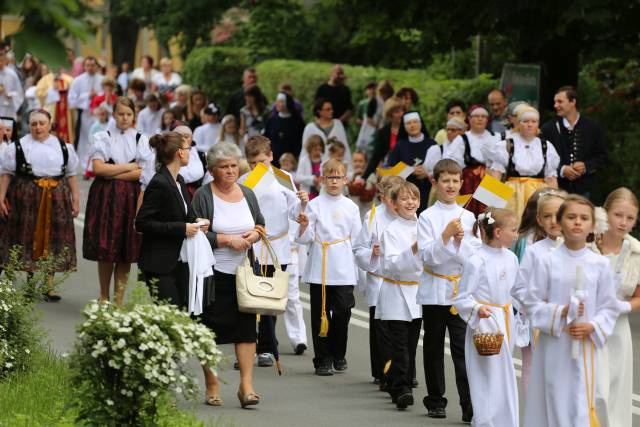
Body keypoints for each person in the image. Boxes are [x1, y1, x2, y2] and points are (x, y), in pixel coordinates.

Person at [521, 195, 619, 427]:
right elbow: (532, 302)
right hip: (554, 345)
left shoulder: (600, 264)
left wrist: (592, 325)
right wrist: (560, 312)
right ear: (561, 221)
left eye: (584, 218)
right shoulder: (547, 261)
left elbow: (609, 307)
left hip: (585, 344)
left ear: (592, 225)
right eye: (571, 217)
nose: (577, 222)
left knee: (581, 403)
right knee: (553, 397)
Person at [134, 130, 215, 405]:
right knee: (170, 324)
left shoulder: (177, 181)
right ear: (179, 153)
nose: (190, 151)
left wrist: (197, 221)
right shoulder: (159, 183)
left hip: (180, 262)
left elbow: (184, 215)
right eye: (187, 147)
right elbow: (142, 223)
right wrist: (182, 228)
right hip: (160, 264)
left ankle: (160, 378)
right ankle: (155, 380)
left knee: (179, 322)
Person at [192, 142, 264, 408]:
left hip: (243, 274)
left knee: (246, 330)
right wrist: (226, 240)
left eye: (234, 165)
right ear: (212, 171)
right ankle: (212, 384)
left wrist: (254, 234)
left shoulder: (247, 193)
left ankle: (246, 385)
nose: (231, 171)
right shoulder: (203, 195)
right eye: (224, 167)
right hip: (211, 273)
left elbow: (260, 224)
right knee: (207, 331)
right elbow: (195, 231)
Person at [417, 159, 478, 422]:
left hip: (460, 291)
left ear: (461, 183)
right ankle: (436, 399)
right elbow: (428, 256)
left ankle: (468, 402)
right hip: (435, 289)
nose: (451, 185)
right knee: (432, 346)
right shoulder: (427, 216)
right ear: (435, 183)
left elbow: (474, 256)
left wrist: (460, 242)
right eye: (445, 181)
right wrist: (445, 237)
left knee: (462, 349)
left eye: (455, 181)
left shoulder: (469, 216)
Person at [242, 136, 308, 366]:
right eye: (252, 163)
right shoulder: (244, 181)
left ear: (270, 157)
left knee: (270, 296)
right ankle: (250, 344)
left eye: (261, 161)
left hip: (277, 245)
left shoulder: (282, 178)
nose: (256, 167)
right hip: (252, 243)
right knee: (251, 295)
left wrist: (300, 208)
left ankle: (267, 347)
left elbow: (291, 210)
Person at [0, 110, 79, 299]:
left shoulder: (63, 146)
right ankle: (28, 280)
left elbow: (71, 174)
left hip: (56, 195)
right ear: (29, 125)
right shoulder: (18, 146)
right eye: (34, 123)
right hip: (25, 196)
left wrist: (75, 197)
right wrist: (1, 197)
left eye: (42, 123)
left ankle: (48, 284)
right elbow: (7, 173)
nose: (38, 127)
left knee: (51, 238)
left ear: (50, 124)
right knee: (26, 235)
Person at [83, 97, 154, 305]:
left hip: (131, 198)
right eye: (121, 114)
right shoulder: (101, 137)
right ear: (114, 115)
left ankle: (118, 299)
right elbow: (98, 169)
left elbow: (143, 173)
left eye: (128, 114)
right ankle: (104, 295)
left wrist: (113, 173)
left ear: (134, 116)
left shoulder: (141, 138)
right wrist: (129, 167)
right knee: (106, 248)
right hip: (105, 197)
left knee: (125, 248)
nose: (124, 118)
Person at [454, 207, 520, 427]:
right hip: (487, 321)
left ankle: (504, 418)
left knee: (504, 372)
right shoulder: (477, 260)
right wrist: (476, 309)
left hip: (506, 318)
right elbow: (463, 297)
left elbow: (518, 289)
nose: (517, 235)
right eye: (514, 230)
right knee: (486, 373)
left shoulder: (511, 258)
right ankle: (485, 419)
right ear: (499, 232)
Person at [296, 158, 362, 376]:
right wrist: (305, 226)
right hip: (321, 266)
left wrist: (360, 271)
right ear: (322, 179)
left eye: (338, 177)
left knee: (343, 311)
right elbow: (306, 239)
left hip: (343, 266)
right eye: (330, 177)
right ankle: (322, 359)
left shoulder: (351, 207)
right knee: (320, 315)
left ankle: (338, 353)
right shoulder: (314, 205)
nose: (334, 181)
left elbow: (358, 240)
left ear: (345, 180)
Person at [591, 188, 640, 427]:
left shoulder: (636, 252)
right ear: (605, 212)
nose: (623, 222)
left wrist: (623, 306)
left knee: (615, 390)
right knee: (595, 390)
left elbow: (639, 295)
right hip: (588, 326)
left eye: (630, 218)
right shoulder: (587, 242)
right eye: (618, 215)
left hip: (617, 330)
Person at [374, 181, 423, 409]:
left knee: (411, 344)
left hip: (418, 292)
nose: (410, 202)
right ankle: (402, 389)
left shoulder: (425, 226)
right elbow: (392, 265)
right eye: (404, 198)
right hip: (395, 291)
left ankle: (395, 382)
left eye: (414, 198)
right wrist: (413, 249)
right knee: (399, 344)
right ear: (394, 203)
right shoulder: (391, 231)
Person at [511, 189, 566, 392]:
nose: (554, 221)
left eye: (559, 215)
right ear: (539, 219)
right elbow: (518, 287)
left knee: (561, 371)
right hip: (537, 319)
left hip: (565, 320)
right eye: (547, 216)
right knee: (531, 367)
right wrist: (535, 303)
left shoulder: (577, 249)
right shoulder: (535, 251)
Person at [353, 176, 401, 386]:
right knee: (381, 329)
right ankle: (383, 370)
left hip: (402, 281)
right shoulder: (373, 217)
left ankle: (404, 370)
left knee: (401, 329)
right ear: (383, 197)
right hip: (380, 279)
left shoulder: (410, 216)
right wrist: (372, 254)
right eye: (391, 197)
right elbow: (359, 248)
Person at [488, 106, 560, 219]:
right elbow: (495, 175)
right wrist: (490, 206)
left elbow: (551, 178)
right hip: (512, 195)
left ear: (538, 124)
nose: (530, 124)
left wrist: (555, 203)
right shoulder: (506, 145)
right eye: (525, 121)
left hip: (538, 195)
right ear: (519, 124)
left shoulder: (546, 146)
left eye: (533, 121)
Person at [540, 86, 608, 198]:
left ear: (573, 102)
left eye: (560, 101)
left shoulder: (593, 127)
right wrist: (561, 169)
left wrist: (586, 166)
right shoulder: (548, 129)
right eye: (555, 102)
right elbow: (541, 157)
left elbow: (602, 156)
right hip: (557, 189)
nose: (555, 105)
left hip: (586, 190)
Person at [444, 104, 500, 216]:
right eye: (476, 116)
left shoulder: (496, 137)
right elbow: (450, 162)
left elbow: (503, 161)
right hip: (469, 181)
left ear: (487, 119)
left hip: (492, 179)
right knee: (467, 213)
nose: (480, 119)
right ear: (469, 119)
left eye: (483, 116)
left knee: (489, 215)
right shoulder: (462, 139)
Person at [387, 111, 436, 213]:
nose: (412, 125)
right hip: (405, 193)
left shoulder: (432, 144)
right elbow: (390, 168)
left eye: (415, 122)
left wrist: (427, 174)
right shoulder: (400, 146)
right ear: (404, 126)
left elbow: (441, 168)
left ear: (420, 123)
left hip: (428, 190)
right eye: (408, 123)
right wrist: (409, 170)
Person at [69, 56, 103, 175]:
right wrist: (87, 96)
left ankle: (99, 166)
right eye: (87, 65)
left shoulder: (102, 79)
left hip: (99, 115)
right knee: (84, 140)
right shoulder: (78, 80)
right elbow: (72, 99)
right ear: (84, 66)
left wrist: (98, 96)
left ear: (96, 66)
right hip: (85, 114)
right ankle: (85, 167)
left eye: (92, 65)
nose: (90, 68)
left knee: (99, 139)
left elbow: (107, 94)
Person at [362, 96, 405, 181]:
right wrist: (364, 178)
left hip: (405, 172)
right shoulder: (383, 132)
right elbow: (376, 157)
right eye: (397, 112)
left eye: (402, 111)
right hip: (389, 171)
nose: (401, 114)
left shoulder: (408, 129)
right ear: (390, 114)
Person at [299, 99, 351, 165]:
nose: (331, 111)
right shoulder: (310, 128)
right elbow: (305, 150)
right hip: (316, 167)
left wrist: (349, 168)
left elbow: (345, 146)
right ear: (319, 111)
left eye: (332, 109)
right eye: (328, 109)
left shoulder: (338, 124)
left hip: (335, 166)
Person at [263, 92, 305, 168]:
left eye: (281, 101)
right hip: (273, 161)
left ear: (287, 103)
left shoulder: (298, 122)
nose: (278, 104)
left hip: (291, 162)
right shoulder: (271, 120)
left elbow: (301, 141)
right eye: (277, 101)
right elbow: (265, 139)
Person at [35, 69, 75, 145]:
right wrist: (51, 90)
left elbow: (74, 95)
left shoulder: (69, 79)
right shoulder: (45, 79)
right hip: (51, 112)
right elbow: (39, 93)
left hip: (66, 114)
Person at [173, 125, 205, 198]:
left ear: (192, 138)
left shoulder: (201, 155)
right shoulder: (168, 155)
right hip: (175, 193)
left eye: (186, 137)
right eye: (179, 137)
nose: (183, 140)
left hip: (198, 193)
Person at [296, 135, 324, 199]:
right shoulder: (304, 160)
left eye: (320, 149)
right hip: (308, 194)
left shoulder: (325, 160)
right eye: (315, 149)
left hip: (322, 193)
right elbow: (298, 178)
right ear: (310, 148)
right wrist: (312, 179)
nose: (318, 151)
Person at [0, 50, 24, 120]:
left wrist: (10, 95)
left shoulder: (11, 74)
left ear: (5, 61)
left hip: (8, 109)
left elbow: (19, 93)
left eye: (1, 60)